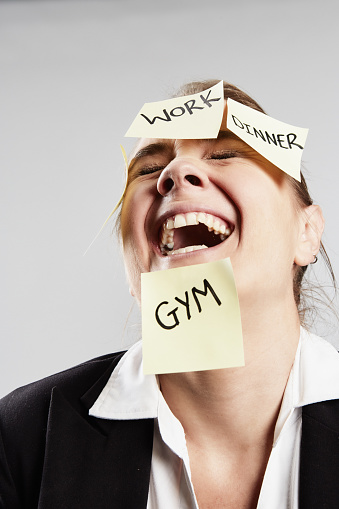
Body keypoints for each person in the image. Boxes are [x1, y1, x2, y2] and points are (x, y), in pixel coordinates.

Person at [0, 80, 338, 509]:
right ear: (132, 265)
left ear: (306, 232)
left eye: (224, 154)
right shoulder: (19, 439)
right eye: (146, 169)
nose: (173, 173)